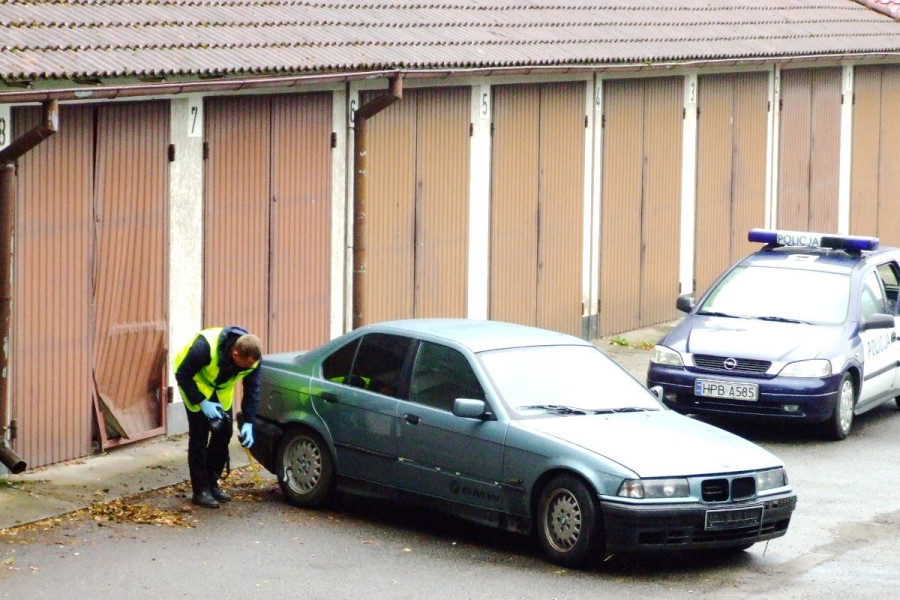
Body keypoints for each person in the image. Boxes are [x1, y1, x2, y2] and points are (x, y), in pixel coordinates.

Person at [174, 326, 261, 508]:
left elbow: (252, 390)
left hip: (220, 390)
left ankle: (212, 483)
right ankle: (200, 490)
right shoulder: (204, 349)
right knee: (199, 436)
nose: (250, 368)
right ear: (235, 354)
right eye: (246, 366)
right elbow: (182, 375)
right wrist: (202, 402)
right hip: (195, 384)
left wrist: (249, 423)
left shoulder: (253, 358)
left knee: (224, 433)